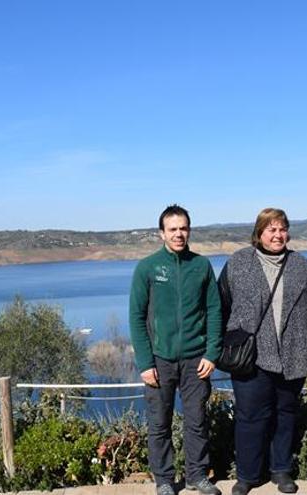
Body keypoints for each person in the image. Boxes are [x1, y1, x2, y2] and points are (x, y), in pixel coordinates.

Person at [217, 208, 307, 495]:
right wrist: (225, 341)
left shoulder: (302, 265)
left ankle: (281, 470)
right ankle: (248, 475)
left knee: (286, 413)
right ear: (259, 233)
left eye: (282, 229)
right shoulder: (239, 262)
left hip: (293, 353)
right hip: (252, 356)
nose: (277, 235)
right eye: (271, 230)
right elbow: (221, 305)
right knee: (250, 417)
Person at [128, 204, 223, 495]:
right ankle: (165, 480)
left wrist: (211, 353)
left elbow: (214, 310)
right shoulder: (148, 268)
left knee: (197, 420)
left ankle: (196, 475)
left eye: (183, 228)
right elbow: (136, 316)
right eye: (173, 229)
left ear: (189, 230)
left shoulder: (201, 265)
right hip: (160, 359)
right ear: (162, 234)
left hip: (196, 359)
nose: (179, 234)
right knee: (159, 423)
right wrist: (145, 363)